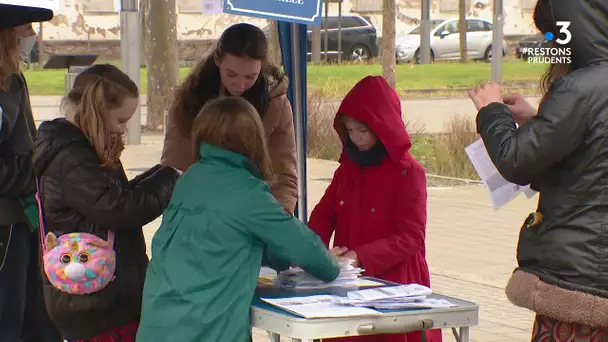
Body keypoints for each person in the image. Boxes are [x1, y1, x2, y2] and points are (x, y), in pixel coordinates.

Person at [136, 96, 341, 342]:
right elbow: (304, 247)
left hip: (158, 324)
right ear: (254, 140)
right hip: (207, 330)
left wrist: (281, 256)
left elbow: (225, 240)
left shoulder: (189, 179)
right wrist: (331, 263)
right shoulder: (248, 192)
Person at [468, 0, 608, 340]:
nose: (548, 44)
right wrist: (538, 120)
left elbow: (516, 160)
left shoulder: (579, 88)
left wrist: (491, 112)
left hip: (580, 280)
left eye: (551, 33)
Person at [33, 64, 180, 342]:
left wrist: (165, 173)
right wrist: (170, 178)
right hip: (95, 306)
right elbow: (121, 209)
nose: (124, 129)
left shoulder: (80, 150)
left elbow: (117, 196)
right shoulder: (72, 160)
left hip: (100, 299)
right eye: (121, 120)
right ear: (97, 112)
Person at [308, 76, 442, 342]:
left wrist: (360, 256)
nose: (355, 138)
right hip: (349, 283)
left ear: (383, 127)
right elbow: (323, 215)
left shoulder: (408, 172)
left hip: (396, 284)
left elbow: (412, 238)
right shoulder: (347, 168)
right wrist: (314, 251)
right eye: (350, 130)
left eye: (363, 130)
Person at [161, 23, 298, 214]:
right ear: (217, 60)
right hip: (199, 213)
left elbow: (283, 176)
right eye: (231, 74)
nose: (240, 85)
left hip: (253, 214)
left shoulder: (275, 104)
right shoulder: (189, 100)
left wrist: (275, 222)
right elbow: (175, 167)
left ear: (262, 67)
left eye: (250, 76)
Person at [0, 4, 63, 341]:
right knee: (9, 315)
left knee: (34, 316)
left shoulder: (12, 80)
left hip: (22, 217)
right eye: (26, 30)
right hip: (5, 225)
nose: (32, 38)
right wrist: (34, 169)